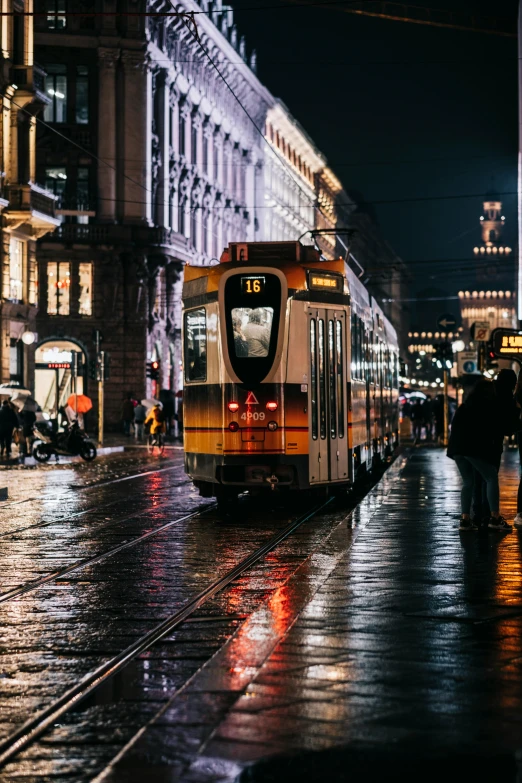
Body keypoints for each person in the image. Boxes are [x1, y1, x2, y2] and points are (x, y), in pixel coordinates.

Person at [447, 379, 510, 532]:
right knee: (491, 477)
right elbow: (491, 430)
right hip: (472, 449)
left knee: (468, 482)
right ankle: (495, 518)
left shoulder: (464, 407)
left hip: (457, 450)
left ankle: (465, 519)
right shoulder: (486, 407)